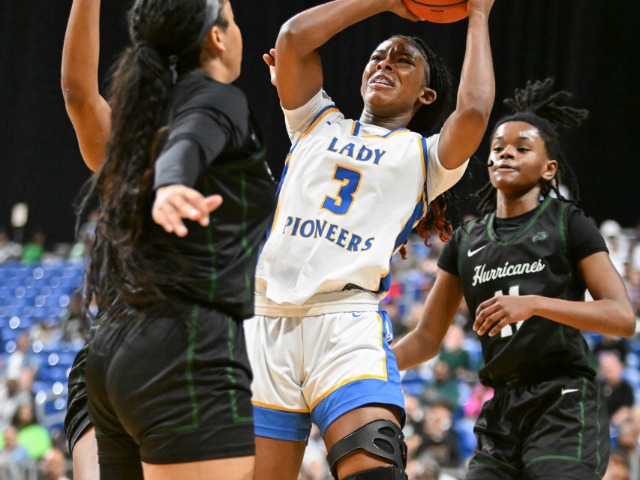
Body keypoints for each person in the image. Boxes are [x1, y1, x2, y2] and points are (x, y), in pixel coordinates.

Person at [245, 0, 495, 479]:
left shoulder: (425, 157)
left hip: (346, 324)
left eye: (403, 61)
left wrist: (479, 15)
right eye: (378, 57)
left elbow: (475, 110)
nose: (385, 64)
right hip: (264, 323)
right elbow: (293, 39)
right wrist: (387, 1)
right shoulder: (315, 122)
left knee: (375, 468)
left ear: (425, 95)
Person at [61, 0, 276, 479]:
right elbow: (188, 143)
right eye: (233, 18)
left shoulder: (134, 127)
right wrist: (172, 183)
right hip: (183, 345)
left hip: (109, 353)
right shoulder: (218, 99)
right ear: (217, 37)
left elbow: (77, 93)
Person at [392, 78, 637, 479]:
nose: (506, 153)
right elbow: (426, 338)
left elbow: (622, 318)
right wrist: (372, 365)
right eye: (498, 148)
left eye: (522, 148)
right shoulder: (466, 240)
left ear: (549, 167)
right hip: (502, 407)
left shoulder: (568, 223)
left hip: (563, 400)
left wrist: (534, 304)